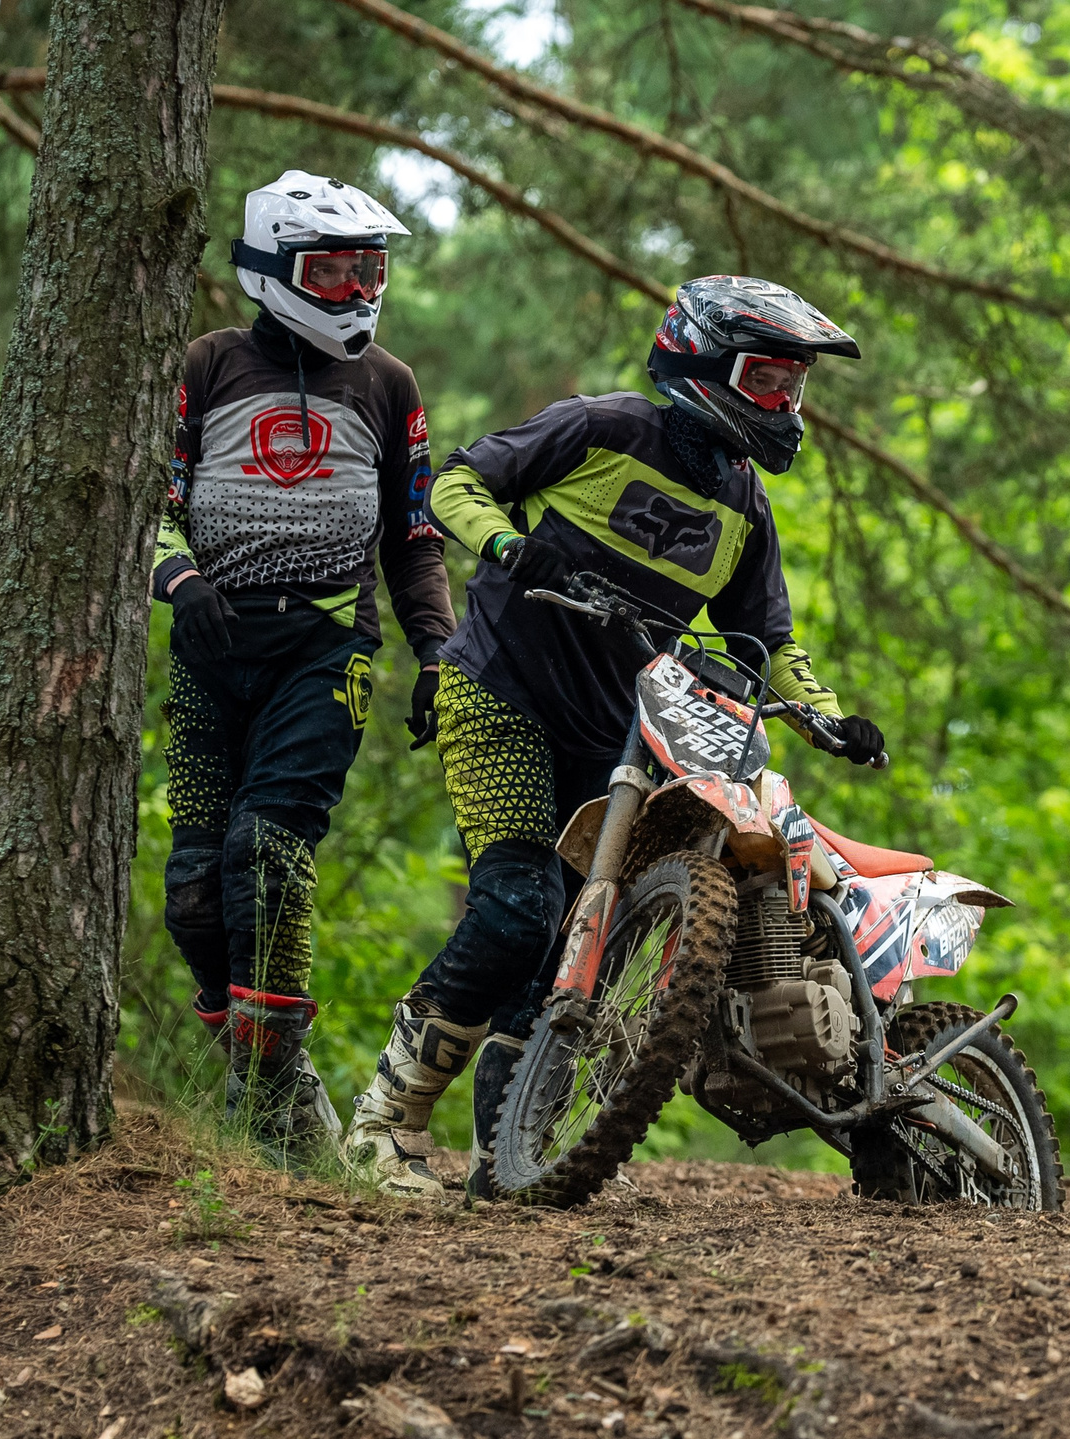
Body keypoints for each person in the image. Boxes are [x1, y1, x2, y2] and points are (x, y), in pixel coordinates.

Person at [343, 274, 885, 1197]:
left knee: (563, 941)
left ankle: (510, 1153)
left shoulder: (745, 505)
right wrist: (511, 547)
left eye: (795, 389)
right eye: (767, 381)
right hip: (499, 691)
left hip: (617, 736)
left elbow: (771, 640)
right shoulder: (603, 426)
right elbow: (459, 482)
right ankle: (384, 1122)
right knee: (514, 907)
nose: (785, 405)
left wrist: (827, 714)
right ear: (703, 359)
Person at [155, 170, 456, 1154]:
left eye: (368, 269)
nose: (355, 290)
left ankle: (267, 1105)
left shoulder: (389, 383)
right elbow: (148, 501)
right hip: (210, 640)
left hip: (328, 647)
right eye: (330, 271)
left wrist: (440, 654)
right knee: (197, 890)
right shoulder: (205, 364)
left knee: (269, 852)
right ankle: (268, 1070)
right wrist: (180, 582)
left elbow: (414, 535)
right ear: (274, 268)